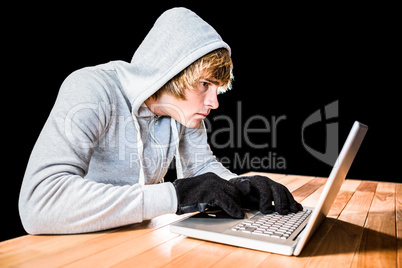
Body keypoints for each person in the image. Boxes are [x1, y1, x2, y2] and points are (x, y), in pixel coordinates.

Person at [19, 7, 302, 235]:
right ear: (171, 72)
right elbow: (39, 203)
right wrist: (174, 196)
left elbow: (202, 171)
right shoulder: (91, 89)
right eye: (205, 84)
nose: (214, 103)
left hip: (137, 241)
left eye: (218, 89)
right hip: (74, 246)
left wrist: (243, 185)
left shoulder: (180, 113)